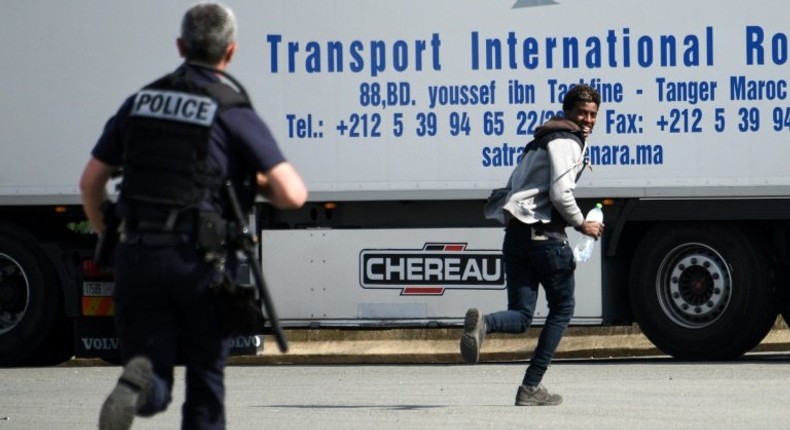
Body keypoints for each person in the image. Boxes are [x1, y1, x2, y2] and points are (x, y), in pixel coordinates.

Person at [79, 3, 308, 429]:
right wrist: (247, 179)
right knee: (206, 383)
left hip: (136, 254)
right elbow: (292, 194)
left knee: (151, 368)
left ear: (181, 46)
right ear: (231, 52)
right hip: (196, 263)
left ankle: (140, 387)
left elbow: (91, 180)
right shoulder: (229, 107)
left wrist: (107, 234)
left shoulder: (139, 102)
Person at [460, 84, 604, 406]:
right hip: (546, 239)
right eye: (582, 113)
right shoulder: (568, 140)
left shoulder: (537, 142)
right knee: (563, 309)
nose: (588, 120)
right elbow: (560, 193)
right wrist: (582, 223)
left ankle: (485, 323)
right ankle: (530, 387)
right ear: (568, 112)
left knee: (522, 315)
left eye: (593, 114)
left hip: (515, 237)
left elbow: (512, 188)